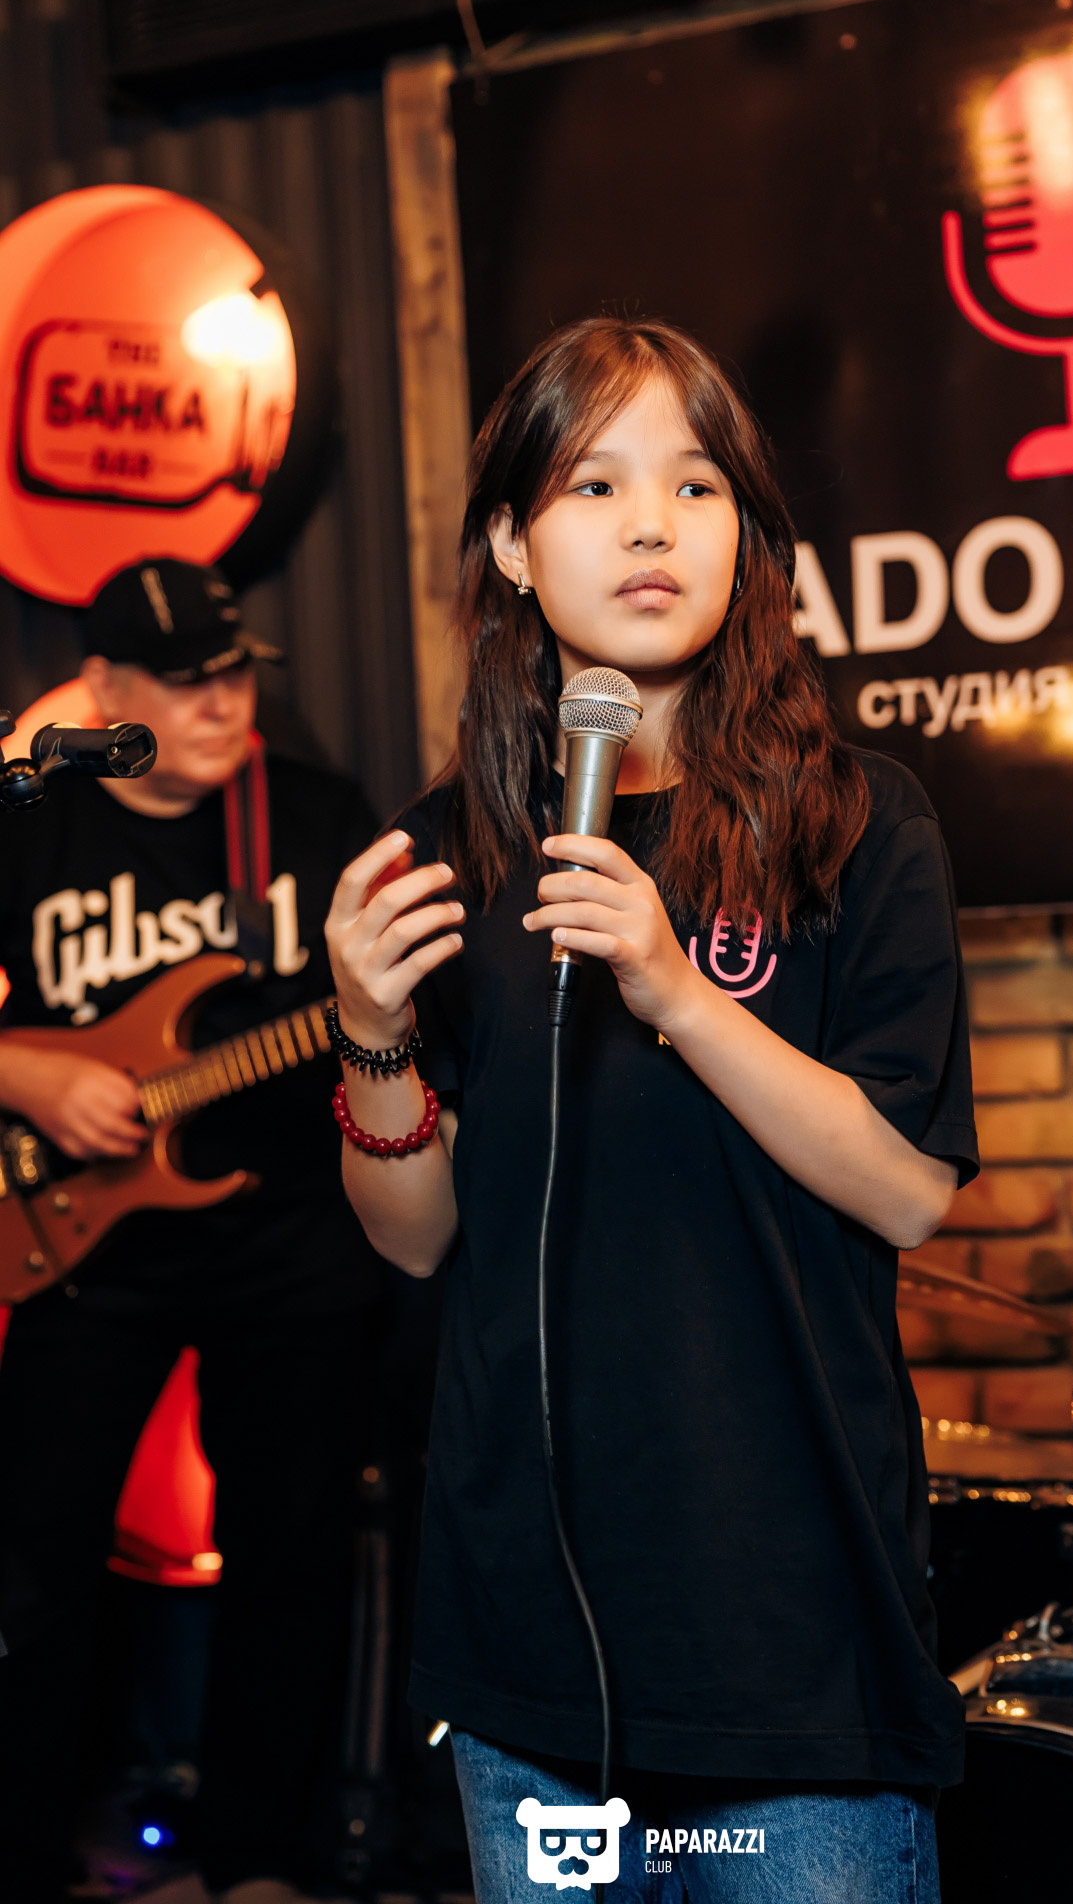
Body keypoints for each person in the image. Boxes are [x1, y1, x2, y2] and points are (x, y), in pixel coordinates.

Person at [325, 319, 977, 1903]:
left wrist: (679, 991)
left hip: (789, 1636)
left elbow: (908, 1190)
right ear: (509, 543)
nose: (649, 529)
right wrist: (370, 1034)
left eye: (694, 488)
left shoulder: (859, 821)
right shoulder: (450, 850)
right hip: (527, 1639)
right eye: (595, 486)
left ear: (744, 536)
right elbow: (415, 1239)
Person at [0, 560, 381, 1904]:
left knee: (293, 1555)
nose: (220, 704)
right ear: (102, 691)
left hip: (291, 1246)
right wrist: (29, 1074)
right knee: (33, 1566)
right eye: (180, 682)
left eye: (232, 673)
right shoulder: (33, 823)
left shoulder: (318, 818)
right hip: (82, 1247)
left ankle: (258, 1859)